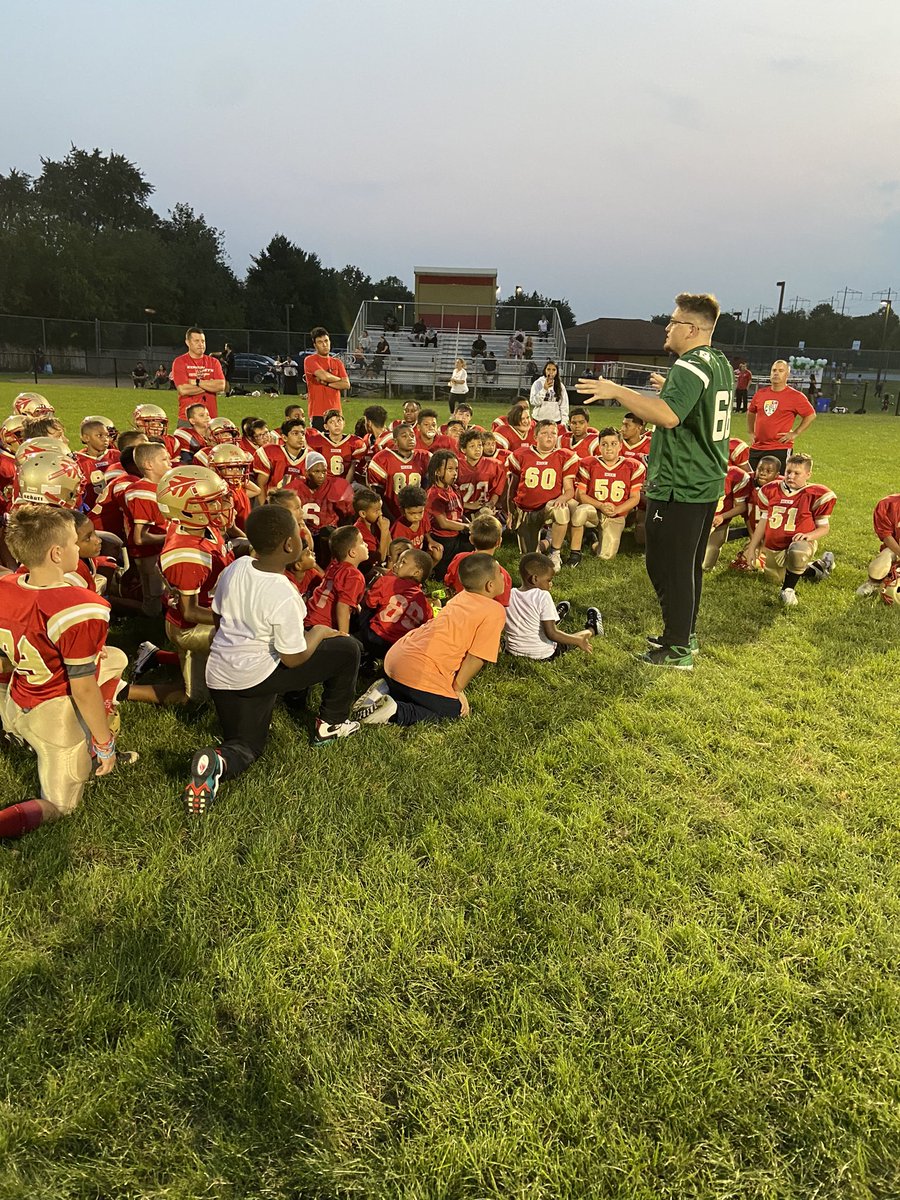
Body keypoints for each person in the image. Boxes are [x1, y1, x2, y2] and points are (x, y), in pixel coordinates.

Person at [577, 292, 734, 669]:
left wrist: (617, 391)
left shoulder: (690, 365)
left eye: (674, 321)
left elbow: (667, 417)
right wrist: (669, 388)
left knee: (667, 566)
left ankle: (677, 647)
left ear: (692, 329)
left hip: (683, 482)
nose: (667, 327)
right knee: (688, 565)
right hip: (705, 479)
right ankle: (684, 636)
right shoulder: (719, 361)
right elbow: (694, 405)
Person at [181, 505, 362, 815]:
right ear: (290, 546)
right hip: (258, 676)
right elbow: (293, 659)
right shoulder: (284, 593)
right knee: (348, 649)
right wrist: (318, 632)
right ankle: (331, 724)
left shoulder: (235, 568)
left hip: (222, 676)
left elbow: (217, 617)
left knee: (246, 746)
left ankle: (218, 762)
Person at [0, 506, 138, 838]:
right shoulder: (80, 606)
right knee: (62, 807)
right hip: (52, 715)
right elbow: (83, 688)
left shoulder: (7, 584)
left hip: (15, 696)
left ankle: (23, 737)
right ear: (57, 553)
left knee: (114, 658)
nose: (80, 548)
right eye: (75, 542)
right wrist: (105, 743)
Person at [351, 553, 506, 727]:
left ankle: (385, 689)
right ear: (490, 585)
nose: (503, 576)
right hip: (417, 669)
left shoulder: (460, 598)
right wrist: (457, 690)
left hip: (395, 657)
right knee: (454, 710)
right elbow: (476, 657)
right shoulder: (494, 611)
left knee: (417, 691)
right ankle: (395, 711)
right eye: (500, 573)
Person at [158, 466, 235, 700]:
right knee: (195, 698)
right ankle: (123, 691)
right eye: (209, 502)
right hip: (190, 628)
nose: (220, 506)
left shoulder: (197, 526)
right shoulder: (187, 554)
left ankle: (155, 656)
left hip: (209, 606)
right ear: (185, 508)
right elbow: (189, 612)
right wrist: (232, 619)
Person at [737, 453, 836, 605]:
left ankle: (788, 590)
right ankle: (819, 567)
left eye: (797, 473)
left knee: (797, 552)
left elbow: (824, 528)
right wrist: (752, 547)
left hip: (800, 542)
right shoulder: (769, 490)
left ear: (808, 475)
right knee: (775, 578)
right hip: (774, 545)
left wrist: (808, 536)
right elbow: (763, 522)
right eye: (789, 472)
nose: (791, 476)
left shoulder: (816, 494)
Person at [569, 427, 646, 565]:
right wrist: (600, 505)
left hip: (616, 514)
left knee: (605, 556)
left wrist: (617, 509)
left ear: (620, 446)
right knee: (580, 512)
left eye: (613, 444)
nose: (609, 448)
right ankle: (575, 553)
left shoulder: (633, 466)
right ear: (599, 446)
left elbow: (635, 498)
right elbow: (580, 495)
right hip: (594, 510)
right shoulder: (588, 463)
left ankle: (593, 541)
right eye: (604, 444)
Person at [507, 420, 578, 568]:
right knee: (531, 559)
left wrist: (562, 498)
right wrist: (510, 512)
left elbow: (569, 489)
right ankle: (547, 542)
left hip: (548, 507)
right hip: (526, 510)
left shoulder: (564, 456)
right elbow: (512, 487)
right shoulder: (521, 455)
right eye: (544, 433)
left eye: (553, 433)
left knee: (562, 510)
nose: (549, 437)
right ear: (535, 437)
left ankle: (555, 553)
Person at [504, 553, 601, 661]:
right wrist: (577, 641)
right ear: (535, 579)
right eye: (549, 580)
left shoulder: (510, 594)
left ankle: (554, 616)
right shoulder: (542, 595)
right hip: (542, 655)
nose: (551, 584)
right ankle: (593, 629)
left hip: (512, 652)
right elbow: (552, 634)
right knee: (565, 641)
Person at [123, 442, 171, 616]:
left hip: (160, 547)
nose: (170, 462)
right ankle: (149, 630)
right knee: (154, 598)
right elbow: (140, 538)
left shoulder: (160, 486)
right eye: (164, 459)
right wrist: (173, 537)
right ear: (149, 465)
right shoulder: (141, 492)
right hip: (149, 552)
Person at [360, 548, 434, 660]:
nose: (396, 564)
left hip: (373, 637)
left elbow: (369, 603)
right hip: (396, 648)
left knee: (366, 604)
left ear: (416, 572)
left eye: (402, 562)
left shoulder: (388, 582)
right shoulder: (425, 605)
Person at [747, 360, 816, 472]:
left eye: (780, 371)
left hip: (779, 447)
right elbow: (751, 412)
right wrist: (750, 432)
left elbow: (810, 415)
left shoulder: (795, 396)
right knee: (751, 481)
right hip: (757, 446)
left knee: (777, 483)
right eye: (774, 370)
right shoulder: (760, 393)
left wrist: (795, 433)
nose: (776, 373)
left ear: (787, 374)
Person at [305, 525, 369, 633]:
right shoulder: (354, 576)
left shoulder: (334, 565)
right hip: (321, 627)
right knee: (355, 647)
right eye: (362, 542)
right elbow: (343, 606)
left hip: (309, 620)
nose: (366, 544)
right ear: (352, 552)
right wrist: (343, 635)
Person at [443, 514, 512, 605]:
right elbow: (501, 604)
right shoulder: (502, 575)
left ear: (471, 539)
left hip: (457, 609)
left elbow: (449, 582)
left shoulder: (459, 559)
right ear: (499, 542)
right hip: (482, 617)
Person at [366, 424, 430, 521]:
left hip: (417, 514)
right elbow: (377, 496)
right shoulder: (382, 458)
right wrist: (391, 519)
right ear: (395, 441)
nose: (410, 439)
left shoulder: (424, 456)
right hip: (391, 512)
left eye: (412, 435)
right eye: (404, 436)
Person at [425, 450, 469, 580]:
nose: (455, 473)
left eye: (456, 469)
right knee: (442, 575)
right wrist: (467, 527)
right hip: (442, 538)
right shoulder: (434, 494)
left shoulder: (453, 488)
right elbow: (443, 523)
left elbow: (460, 512)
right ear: (438, 472)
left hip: (457, 535)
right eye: (450, 469)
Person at [171, 327, 226, 423]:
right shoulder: (180, 362)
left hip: (210, 418)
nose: (201, 344)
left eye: (203, 341)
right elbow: (183, 390)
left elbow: (221, 386)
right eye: (196, 341)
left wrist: (197, 382)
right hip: (187, 419)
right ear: (187, 342)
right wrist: (210, 384)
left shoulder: (214, 362)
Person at [702, 465, 751, 570]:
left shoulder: (736, 475)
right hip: (696, 517)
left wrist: (722, 517)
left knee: (706, 564)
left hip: (719, 521)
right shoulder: (694, 470)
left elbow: (741, 507)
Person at [303, 327, 351, 431]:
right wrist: (339, 380)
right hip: (318, 413)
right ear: (315, 345)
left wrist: (327, 384)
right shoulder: (310, 360)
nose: (324, 344)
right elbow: (324, 376)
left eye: (326, 341)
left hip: (336, 412)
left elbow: (346, 384)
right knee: (319, 445)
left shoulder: (337, 362)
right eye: (320, 342)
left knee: (336, 446)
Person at [856, 493, 900, 600]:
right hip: (896, 550)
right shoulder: (889, 504)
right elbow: (886, 536)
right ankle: (874, 582)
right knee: (884, 558)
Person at [456, 430, 506, 516]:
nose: (477, 449)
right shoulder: (455, 465)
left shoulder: (495, 465)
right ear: (463, 450)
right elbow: (448, 493)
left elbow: (497, 491)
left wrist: (491, 503)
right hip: (459, 509)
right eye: (472, 446)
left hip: (483, 509)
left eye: (479, 445)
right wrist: (469, 505)